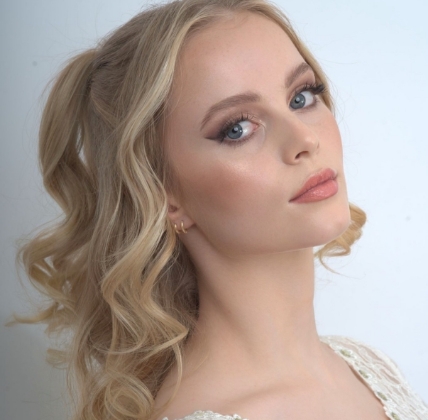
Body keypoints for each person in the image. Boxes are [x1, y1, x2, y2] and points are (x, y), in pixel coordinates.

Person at [14, 0, 427, 419]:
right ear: (162, 192)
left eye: (301, 97)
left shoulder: (370, 369)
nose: (305, 139)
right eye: (237, 129)